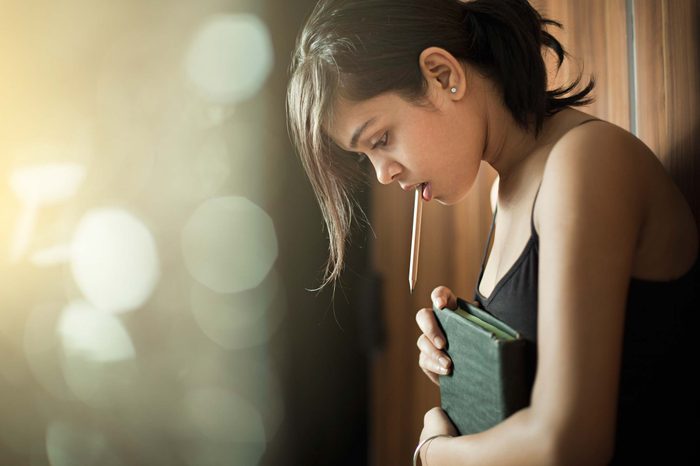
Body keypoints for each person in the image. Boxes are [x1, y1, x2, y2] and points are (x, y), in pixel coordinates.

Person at [286, 0, 699, 464]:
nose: (383, 174)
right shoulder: (505, 192)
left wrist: (436, 452)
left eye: (381, 139)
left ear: (443, 75)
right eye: (366, 155)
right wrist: (464, 361)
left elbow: (569, 445)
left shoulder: (585, 163)